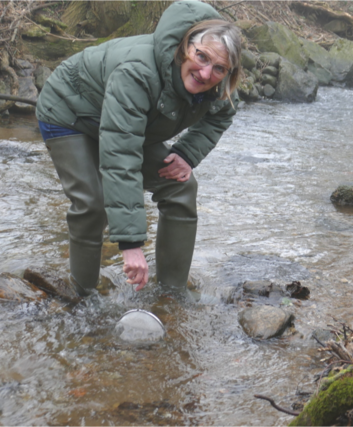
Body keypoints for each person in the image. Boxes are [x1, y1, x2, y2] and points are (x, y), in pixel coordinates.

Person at [35, 0, 243, 296]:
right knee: (93, 205)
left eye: (219, 68)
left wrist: (186, 154)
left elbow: (222, 115)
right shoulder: (138, 72)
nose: (206, 73)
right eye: (201, 57)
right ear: (186, 47)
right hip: (70, 113)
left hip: (124, 122)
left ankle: (171, 295)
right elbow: (121, 156)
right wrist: (130, 244)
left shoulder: (217, 85)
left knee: (181, 186)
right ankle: (82, 299)